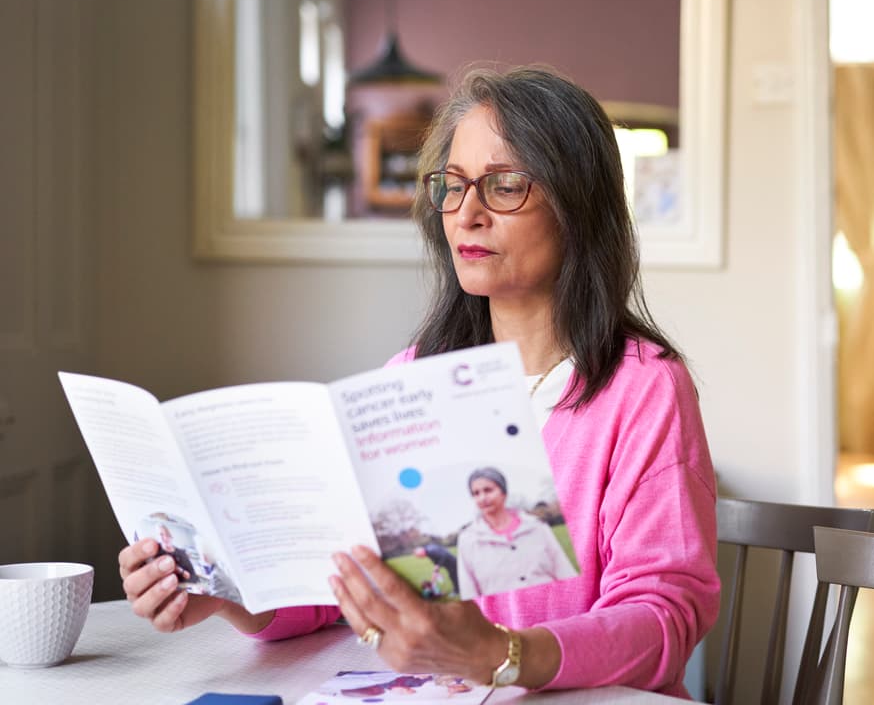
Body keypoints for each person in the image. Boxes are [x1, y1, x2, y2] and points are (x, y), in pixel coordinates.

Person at [117, 66, 718, 698]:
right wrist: (229, 596)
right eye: (453, 187)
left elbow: (663, 617)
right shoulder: (412, 379)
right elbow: (344, 588)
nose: (468, 214)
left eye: (505, 184)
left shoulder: (643, 388)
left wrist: (501, 655)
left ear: (580, 205)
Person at [454, 466, 577, 599]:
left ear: (503, 492)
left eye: (488, 490)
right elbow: (469, 591)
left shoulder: (537, 526)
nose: (482, 497)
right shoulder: (467, 539)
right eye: (476, 493)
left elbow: (564, 571)